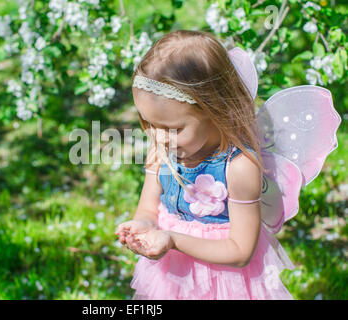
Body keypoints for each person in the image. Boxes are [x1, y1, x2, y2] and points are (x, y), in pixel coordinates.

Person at [114, 30, 340, 300]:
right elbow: (148, 207)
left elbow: (241, 251)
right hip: (173, 276)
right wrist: (143, 225)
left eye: (171, 128)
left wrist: (173, 240)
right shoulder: (161, 150)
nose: (158, 136)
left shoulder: (239, 167)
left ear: (214, 110)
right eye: (148, 123)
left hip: (227, 282)